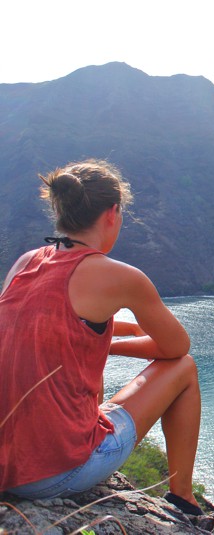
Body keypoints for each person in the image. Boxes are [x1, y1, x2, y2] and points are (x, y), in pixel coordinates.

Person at [0, 159, 203, 516]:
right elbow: (177, 347)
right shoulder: (120, 277)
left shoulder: (26, 263)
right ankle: (183, 497)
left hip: (7, 467)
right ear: (112, 213)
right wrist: (114, 346)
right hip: (57, 473)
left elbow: (48, 329)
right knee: (184, 367)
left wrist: (108, 339)